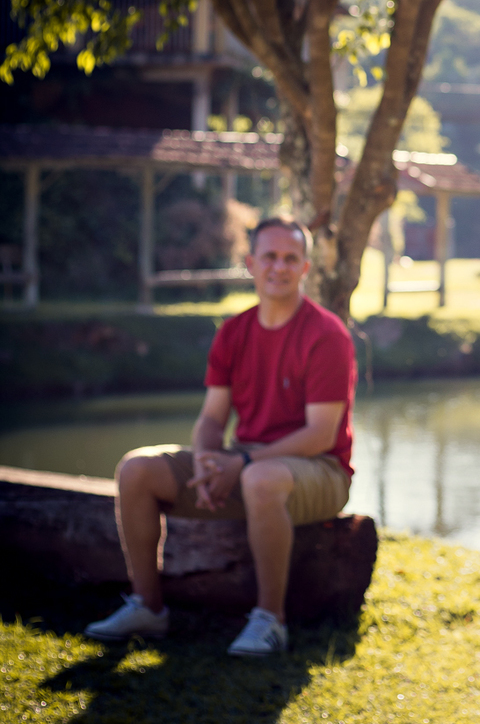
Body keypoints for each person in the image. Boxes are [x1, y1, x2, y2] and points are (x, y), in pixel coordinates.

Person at [85, 217, 356, 657]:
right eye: (270, 256)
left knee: (260, 479)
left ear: (305, 268)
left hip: (320, 470)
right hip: (246, 463)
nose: (279, 267)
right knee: (137, 469)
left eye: (291, 259)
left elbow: (320, 434)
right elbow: (212, 417)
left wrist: (242, 463)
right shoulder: (233, 331)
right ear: (250, 263)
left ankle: (270, 620)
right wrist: (207, 461)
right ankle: (147, 606)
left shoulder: (326, 334)